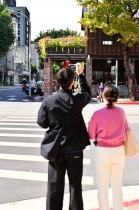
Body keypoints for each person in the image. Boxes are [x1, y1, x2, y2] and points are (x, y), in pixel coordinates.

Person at [37, 63, 92, 210]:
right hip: (74, 149)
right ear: (72, 82)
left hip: (55, 149)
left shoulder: (49, 100)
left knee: (54, 185)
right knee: (75, 185)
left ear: (57, 81)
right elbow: (88, 93)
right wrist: (81, 75)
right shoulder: (77, 100)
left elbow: (42, 122)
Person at [88, 85, 128, 210]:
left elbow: (91, 134)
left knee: (102, 186)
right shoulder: (122, 112)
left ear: (103, 96)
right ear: (117, 97)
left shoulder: (97, 114)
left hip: (103, 151)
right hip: (119, 151)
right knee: (117, 185)